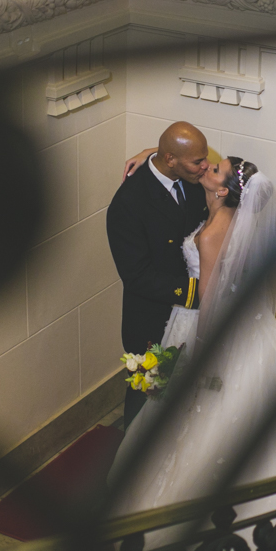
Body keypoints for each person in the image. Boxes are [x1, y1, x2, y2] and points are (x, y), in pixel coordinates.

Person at [105, 152, 276, 522]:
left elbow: (211, 302)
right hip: (254, 328)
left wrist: (200, 356)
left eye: (215, 170)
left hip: (206, 327)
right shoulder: (226, 219)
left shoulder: (213, 234)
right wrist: (149, 154)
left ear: (223, 190)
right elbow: (178, 153)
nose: (206, 168)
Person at [106, 122, 209, 430]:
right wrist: (197, 292)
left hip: (192, 316)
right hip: (153, 316)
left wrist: (150, 150)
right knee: (145, 400)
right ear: (170, 160)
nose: (205, 166)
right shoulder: (128, 203)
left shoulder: (189, 176)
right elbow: (136, 275)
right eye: (197, 161)